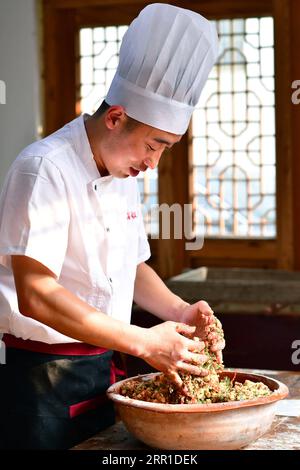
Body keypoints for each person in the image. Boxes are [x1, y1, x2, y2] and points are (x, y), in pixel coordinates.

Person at [0, 3, 223, 449]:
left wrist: (179, 313)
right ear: (116, 118)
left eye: (167, 149)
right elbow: (36, 294)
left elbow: (130, 266)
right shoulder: (43, 168)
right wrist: (142, 342)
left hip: (103, 370)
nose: (153, 163)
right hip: (43, 379)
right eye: (153, 145)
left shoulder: (122, 170)